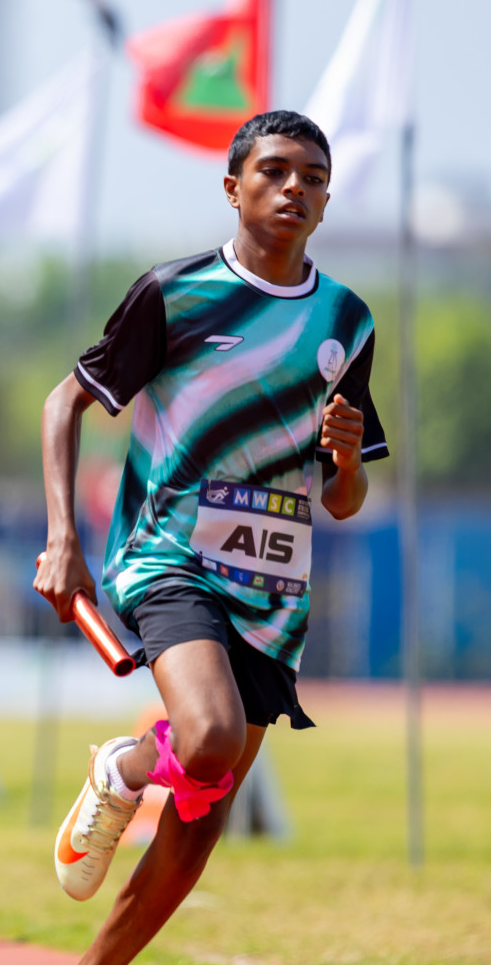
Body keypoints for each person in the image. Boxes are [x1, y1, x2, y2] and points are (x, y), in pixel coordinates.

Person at [34, 110, 388, 964]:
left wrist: (344, 462)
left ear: (328, 198)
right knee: (210, 739)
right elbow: (64, 401)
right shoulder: (175, 291)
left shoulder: (348, 319)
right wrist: (61, 538)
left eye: (311, 175)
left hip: (273, 593)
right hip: (170, 558)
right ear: (233, 187)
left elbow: (346, 501)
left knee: (198, 829)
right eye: (273, 171)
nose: (293, 187)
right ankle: (127, 765)